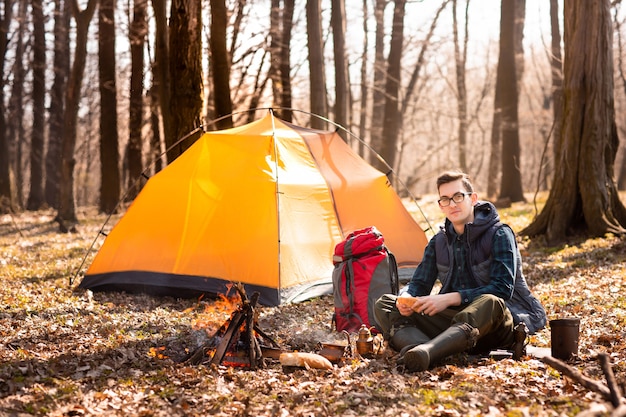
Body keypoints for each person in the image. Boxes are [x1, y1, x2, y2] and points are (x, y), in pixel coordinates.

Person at [374, 170, 546, 372]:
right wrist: (407, 297)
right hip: (453, 326)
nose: (452, 204)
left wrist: (449, 298)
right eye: (445, 199)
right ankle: (420, 352)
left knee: (490, 300)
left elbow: (502, 289)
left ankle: (429, 351)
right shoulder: (438, 242)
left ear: (473, 199)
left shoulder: (499, 233)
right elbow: (419, 284)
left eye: (458, 196)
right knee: (386, 304)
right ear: (440, 205)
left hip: (496, 324)